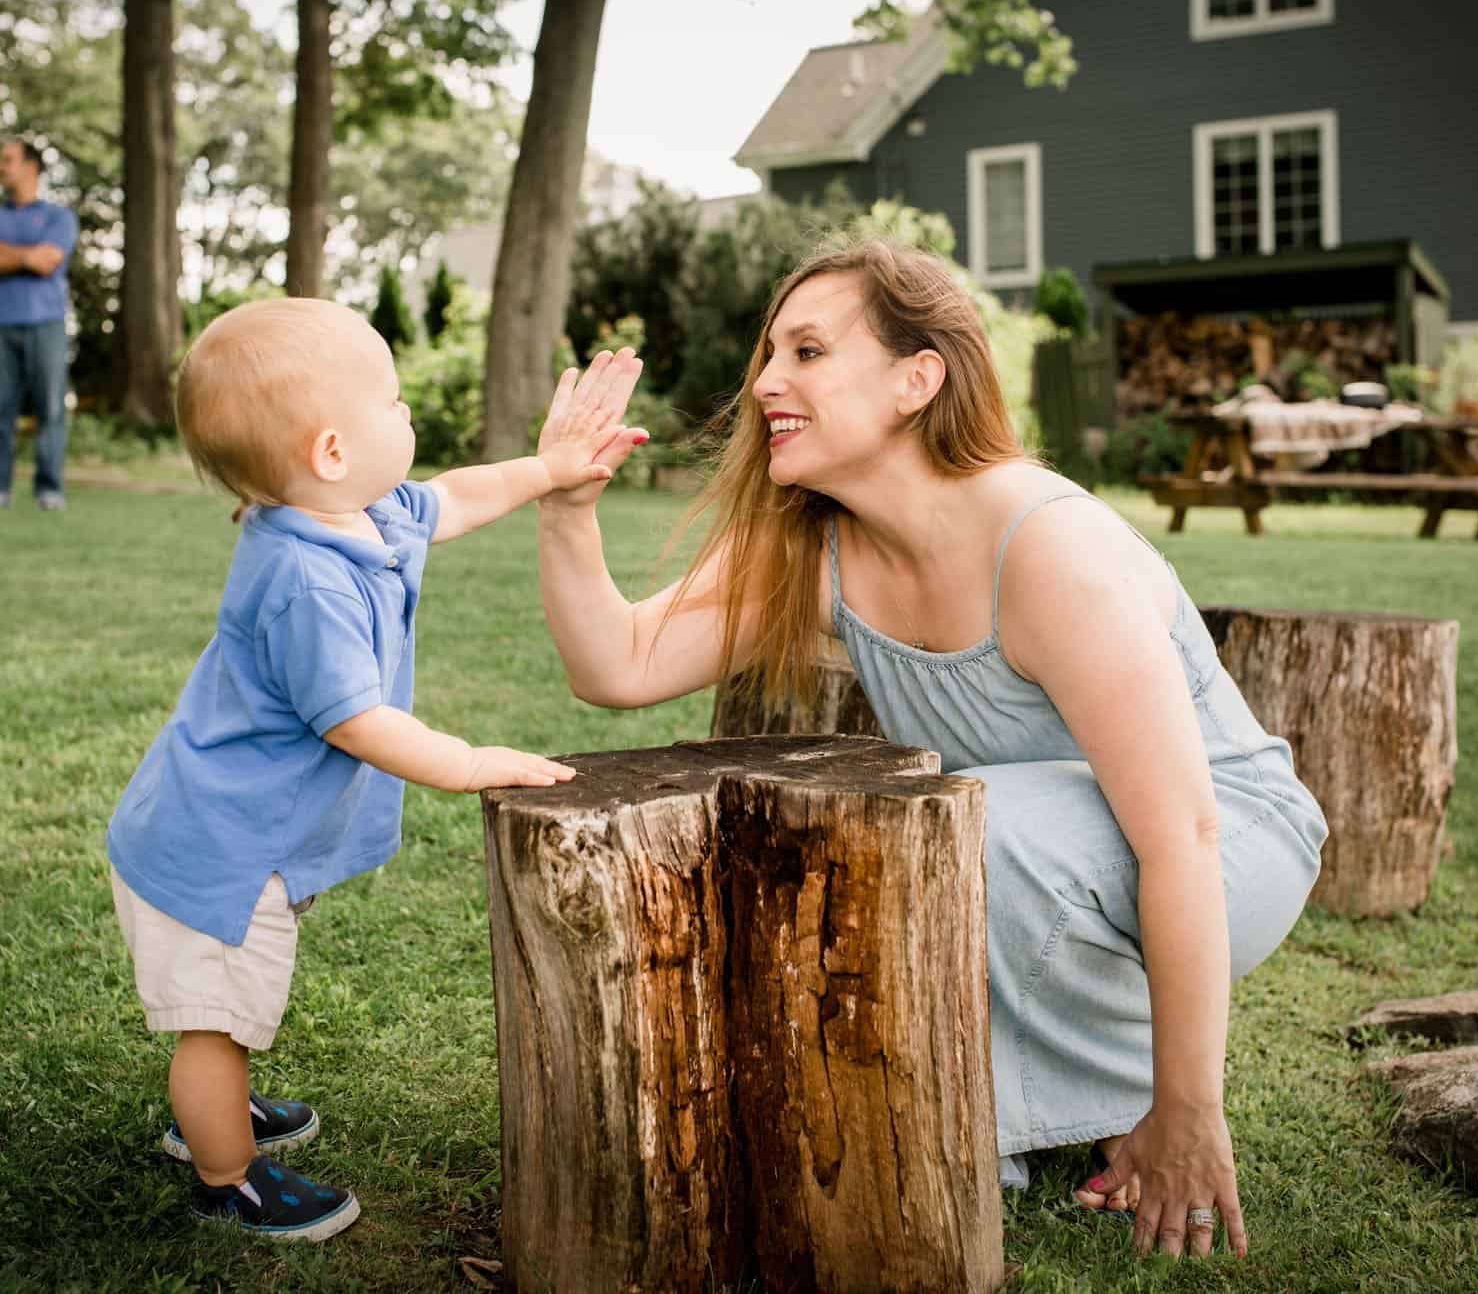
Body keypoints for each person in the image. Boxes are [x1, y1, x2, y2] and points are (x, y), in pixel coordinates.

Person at [534, 238, 1329, 1261]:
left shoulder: (1047, 548)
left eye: (809, 352)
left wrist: (1187, 1108)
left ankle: (1074, 1101)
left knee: (945, 826)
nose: (766, 382)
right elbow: (618, 664)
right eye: (769, 353)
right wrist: (566, 508)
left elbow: (1182, 832)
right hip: (1036, 840)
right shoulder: (816, 541)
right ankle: (981, 1112)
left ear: (918, 379)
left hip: (1229, 849)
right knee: (934, 828)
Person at [105, 297, 638, 1240]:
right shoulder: (305, 578)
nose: (409, 415)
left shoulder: (362, 513)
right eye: (391, 400)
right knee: (214, 1020)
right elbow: (356, 720)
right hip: (217, 853)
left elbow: (461, 495)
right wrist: (472, 760)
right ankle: (227, 1172)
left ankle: (220, 1104)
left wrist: (551, 469)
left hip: (233, 833)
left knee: (227, 1011)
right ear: (331, 452)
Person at [0, 138, 78, 511]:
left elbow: (47, 262)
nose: (0, 166)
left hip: (46, 321)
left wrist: (2, 251)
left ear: (31, 167)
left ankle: (49, 489)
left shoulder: (58, 217)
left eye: (7, 160)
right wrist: (26, 255)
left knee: (50, 409)